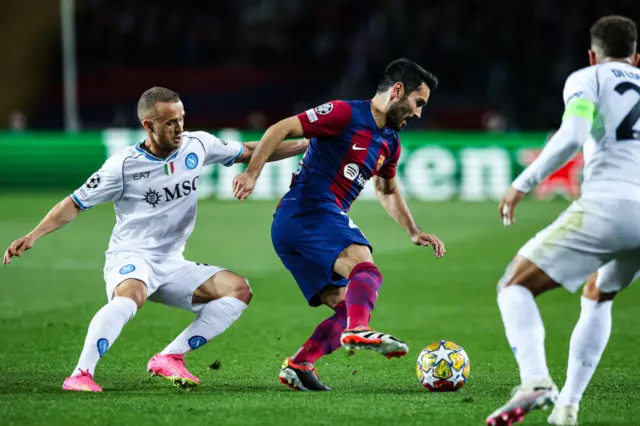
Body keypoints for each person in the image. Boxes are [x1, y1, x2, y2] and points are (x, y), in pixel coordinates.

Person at [3, 87, 308, 392]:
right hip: (131, 255)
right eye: (170, 123)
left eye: (181, 119)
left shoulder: (198, 144)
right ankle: (81, 374)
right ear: (148, 125)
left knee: (238, 290)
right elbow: (75, 202)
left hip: (172, 262)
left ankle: (170, 356)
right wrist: (33, 235)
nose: (180, 128)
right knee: (131, 296)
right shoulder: (122, 165)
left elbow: (251, 151)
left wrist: (306, 144)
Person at [232, 58, 445, 391]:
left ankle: (300, 365)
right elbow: (281, 129)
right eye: (418, 103)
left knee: (347, 306)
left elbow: (386, 189)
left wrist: (413, 230)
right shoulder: (345, 114)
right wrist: (251, 172)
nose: (419, 113)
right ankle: (359, 331)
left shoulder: (390, 142)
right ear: (398, 91)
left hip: (301, 226)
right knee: (366, 268)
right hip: (307, 210)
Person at [487, 15, 640, 426]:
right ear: (636, 56)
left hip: (608, 204)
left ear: (593, 54)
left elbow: (573, 135)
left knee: (514, 286)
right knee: (598, 293)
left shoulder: (587, 78)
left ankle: (536, 381)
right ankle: (567, 408)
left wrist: (522, 183)